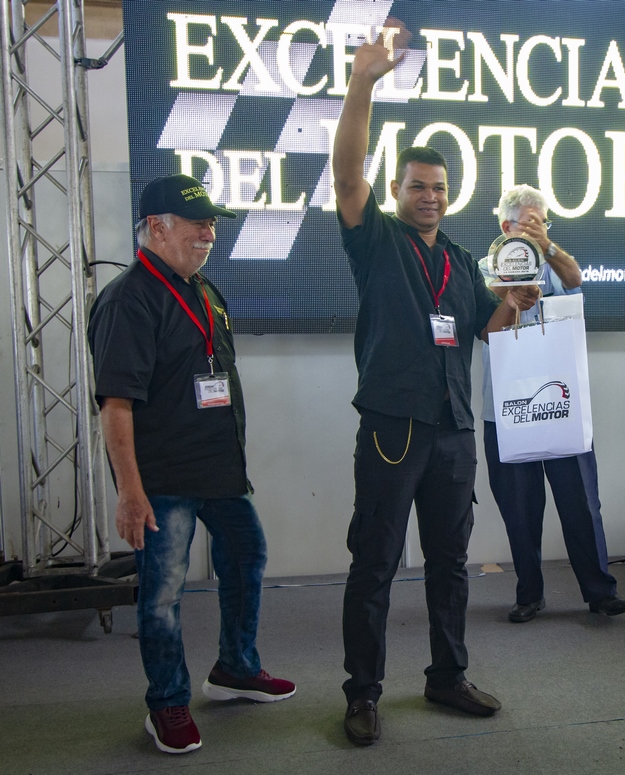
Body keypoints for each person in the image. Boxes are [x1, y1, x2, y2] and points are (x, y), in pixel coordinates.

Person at [331, 23, 538, 746]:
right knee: (377, 564)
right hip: (393, 429)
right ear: (398, 190)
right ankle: (362, 694)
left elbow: (491, 329)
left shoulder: (458, 259)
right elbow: (347, 175)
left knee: (451, 562)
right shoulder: (375, 238)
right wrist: (363, 83)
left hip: (452, 431)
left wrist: (517, 302)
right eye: (418, 186)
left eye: (440, 188)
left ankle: (447, 675)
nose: (430, 196)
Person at [88, 174, 296, 755]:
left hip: (220, 472)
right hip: (164, 481)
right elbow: (117, 405)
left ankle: (235, 668)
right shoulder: (127, 301)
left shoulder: (205, 290)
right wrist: (131, 492)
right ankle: (168, 704)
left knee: (247, 554)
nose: (209, 234)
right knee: (162, 594)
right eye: (197, 224)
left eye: (211, 224)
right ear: (156, 228)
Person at [479, 185, 625, 623]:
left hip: (563, 407)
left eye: (542, 221)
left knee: (582, 502)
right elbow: (489, 297)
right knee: (520, 509)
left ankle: (600, 591)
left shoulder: (554, 262)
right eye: (528, 222)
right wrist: (512, 286)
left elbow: (576, 278)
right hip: (507, 412)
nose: (536, 228)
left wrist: (544, 246)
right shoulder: (484, 266)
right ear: (505, 225)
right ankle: (529, 593)